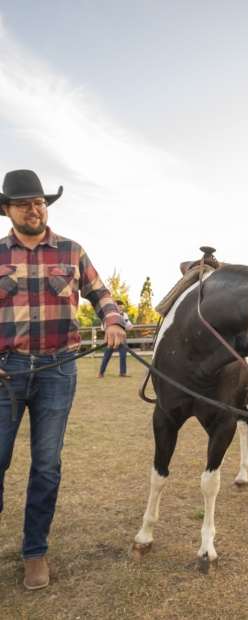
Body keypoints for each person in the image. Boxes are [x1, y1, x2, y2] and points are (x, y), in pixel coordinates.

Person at [0, 170, 126, 590]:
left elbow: (102, 293)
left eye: (39, 202)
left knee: (47, 465)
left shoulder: (72, 251)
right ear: (7, 210)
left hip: (58, 370)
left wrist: (113, 319)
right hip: (7, 371)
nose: (34, 209)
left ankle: (35, 551)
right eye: (23, 204)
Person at [97, 300, 132, 377]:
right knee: (107, 356)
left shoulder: (123, 314)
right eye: (119, 306)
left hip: (121, 339)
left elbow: (128, 324)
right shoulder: (109, 315)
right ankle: (101, 373)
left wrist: (129, 326)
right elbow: (103, 327)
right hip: (111, 338)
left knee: (123, 355)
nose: (120, 307)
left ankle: (122, 372)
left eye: (121, 306)